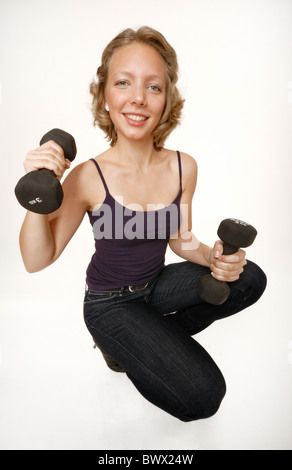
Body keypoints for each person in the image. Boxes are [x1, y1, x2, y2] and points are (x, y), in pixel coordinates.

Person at [19, 26, 267, 422]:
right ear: (105, 95)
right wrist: (37, 197)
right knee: (204, 397)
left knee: (249, 277)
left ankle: (152, 337)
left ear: (167, 99)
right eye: (123, 83)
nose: (138, 97)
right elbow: (36, 260)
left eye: (153, 87)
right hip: (108, 304)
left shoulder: (184, 167)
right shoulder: (86, 176)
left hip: (156, 286)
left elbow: (182, 240)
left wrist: (215, 256)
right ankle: (120, 348)